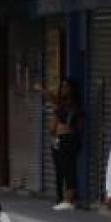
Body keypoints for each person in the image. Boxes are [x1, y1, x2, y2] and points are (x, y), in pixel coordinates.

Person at [46, 79, 82, 210]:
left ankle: (69, 198)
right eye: (63, 87)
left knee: (69, 169)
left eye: (66, 87)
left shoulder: (73, 106)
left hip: (68, 139)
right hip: (58, 139)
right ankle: (60, 197)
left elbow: (74, 125)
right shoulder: (61, 105)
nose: (64, 89)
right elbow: (53, 126)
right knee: (60, 169)